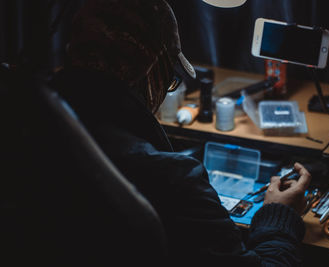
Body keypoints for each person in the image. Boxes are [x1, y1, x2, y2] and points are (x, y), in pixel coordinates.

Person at [52, 0, 312, 266]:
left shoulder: (32, 128)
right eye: (169, 79)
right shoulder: (172, 179)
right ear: (149, 73)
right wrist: (278, 214)